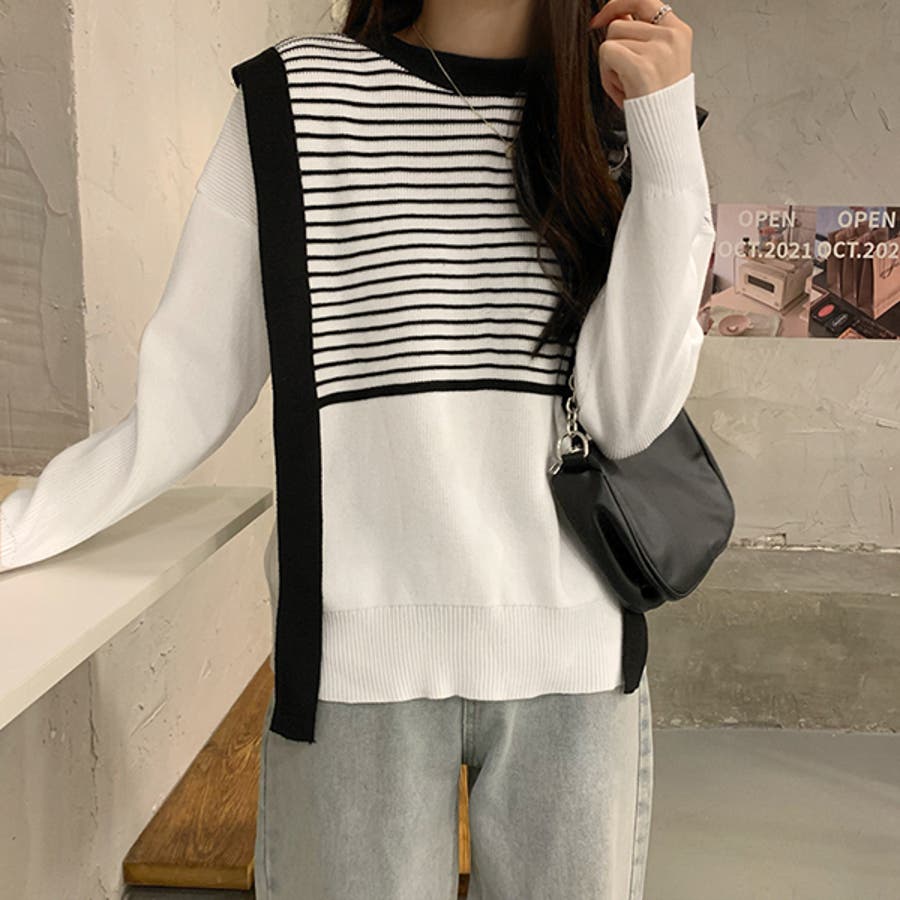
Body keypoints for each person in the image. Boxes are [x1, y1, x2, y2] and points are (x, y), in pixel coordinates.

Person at [1, 1, 714, 897]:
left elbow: (628, 414)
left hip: (576, 666)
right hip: (355, 673)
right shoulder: (296, 98)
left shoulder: (611, 111)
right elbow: (187, 395)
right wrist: (19, 532)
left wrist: (665, 135)